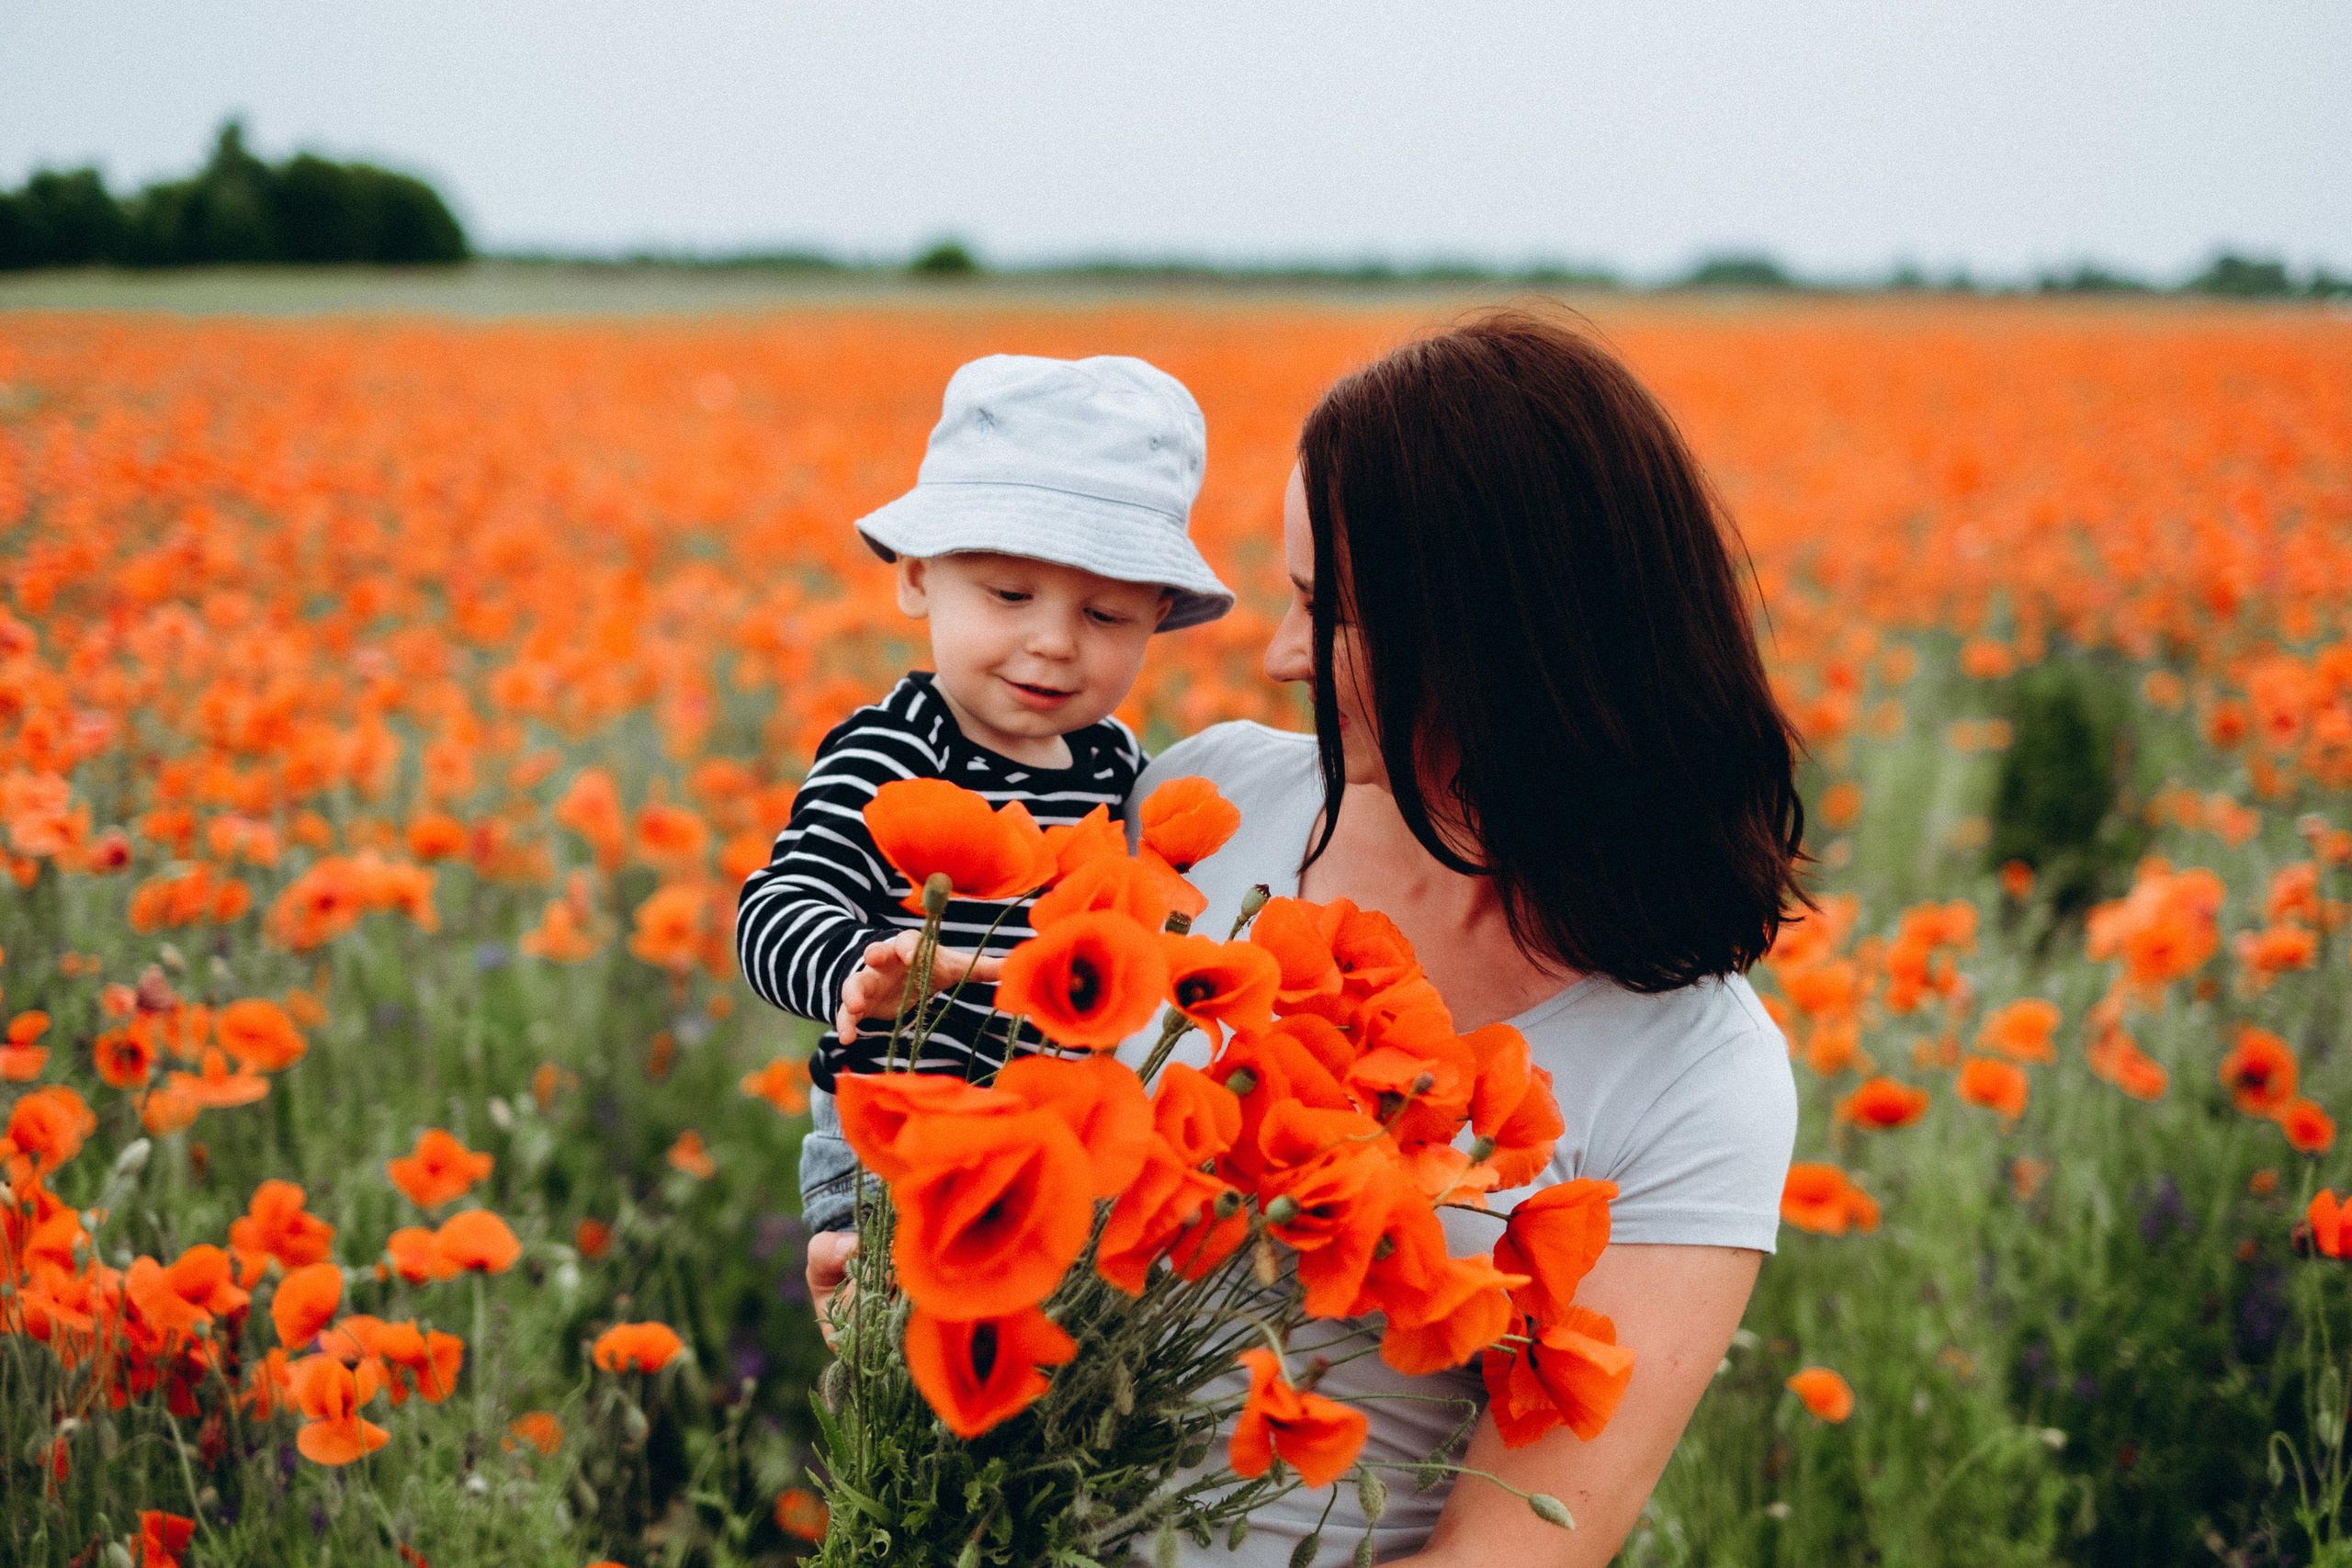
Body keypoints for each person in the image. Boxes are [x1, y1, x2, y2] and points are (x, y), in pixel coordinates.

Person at [807, 308, 1803, 1565]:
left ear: (1500, 643)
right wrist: (893, 1290)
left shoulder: (1697, 1068)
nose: (1278, 659)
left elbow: (1512, 1553)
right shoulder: (1201, 809)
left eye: (1323, 612)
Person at [738, 352, 1233, 1238]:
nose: (1053, 642)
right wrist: (859, 969)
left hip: (1063, 1141)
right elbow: (776, 906)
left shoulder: (1120, 767)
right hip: (895, 1139)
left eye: (1106, 615)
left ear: (1157, 616)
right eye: (1011, 593)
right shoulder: (896, 746)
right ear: (918, 576)